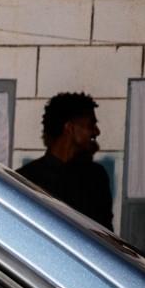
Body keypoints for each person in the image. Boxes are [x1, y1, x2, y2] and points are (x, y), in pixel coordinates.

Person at [17, 92, 112, 230]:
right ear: (69, 128)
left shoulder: (96, 177)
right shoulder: (27, 180)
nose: (96, 132)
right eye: (91, 125)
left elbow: (105, 232)